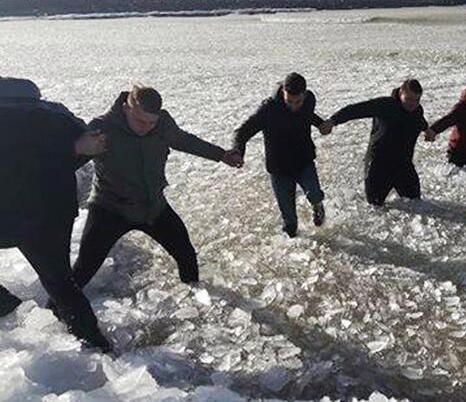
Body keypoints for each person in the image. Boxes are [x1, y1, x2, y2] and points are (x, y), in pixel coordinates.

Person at [70, 85, 242, 292]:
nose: (145, 127)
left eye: (151, 122)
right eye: (140, 121)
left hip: (153, 207)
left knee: (185, 253)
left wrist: (222, 155)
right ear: (126, 109)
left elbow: (186, 141)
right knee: (83, 268)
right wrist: (73, 150)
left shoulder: (162, 126)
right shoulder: (103, 128)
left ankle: (195, 297)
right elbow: (67, 163)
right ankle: (54, 312)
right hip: (110, 209)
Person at [0, 77, 112, 351]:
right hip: (52, 214)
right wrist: (68, 153)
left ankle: (7, 305)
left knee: (60, 283)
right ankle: (95, 345)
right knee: (60, 283)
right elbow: (91, 147)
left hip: (12, 215)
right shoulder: (58, 114)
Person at [233, 73, 329, 238]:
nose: (294, 106)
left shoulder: (309, 101)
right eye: (289, 102)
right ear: (283, 93)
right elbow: (242, 132)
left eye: (298, 101)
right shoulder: (268, 110)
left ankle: (318, 206)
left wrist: (320, 124)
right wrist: (238, 151)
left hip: (303, 161)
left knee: (314, 194)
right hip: (279, 168)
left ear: (304, 95)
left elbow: (306, 115)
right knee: (290, 224)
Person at [321, 79, 435, 206]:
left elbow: (419, 120)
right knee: (375, 208)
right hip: (378, 166)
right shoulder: (385, 105)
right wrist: (332, 121)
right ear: (400, 92)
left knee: (417, 205)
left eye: (416, 100)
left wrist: (427, 130)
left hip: (404, 166)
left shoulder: (417, 110)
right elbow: (355, 110)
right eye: (408, 99)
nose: (412, 104)